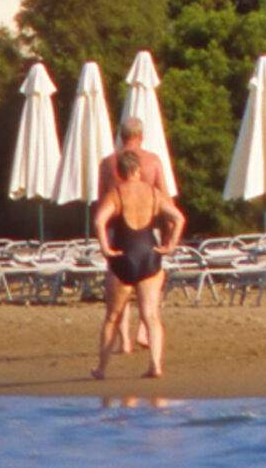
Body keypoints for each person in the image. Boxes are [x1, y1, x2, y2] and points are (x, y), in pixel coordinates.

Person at [92, 147, 183, 381]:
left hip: (123, 256)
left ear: (121, 173)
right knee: (151, 316)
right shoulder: (154, 193)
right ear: (139, 171)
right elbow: (178, 218)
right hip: (149, 255)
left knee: (113, 316)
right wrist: (171, 244)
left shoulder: (117, 192)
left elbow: (99, 220)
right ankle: (155, 365)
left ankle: (102, 368)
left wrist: (105, 248)